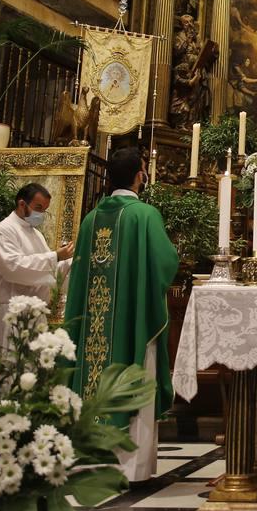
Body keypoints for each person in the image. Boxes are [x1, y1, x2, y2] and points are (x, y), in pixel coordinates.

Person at [66, 147, 179, 482]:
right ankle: (132, 470)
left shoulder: (90, 219)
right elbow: (166, 264)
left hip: (93, 326)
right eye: (143, 169)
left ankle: (91, 463)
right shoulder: (144, 216)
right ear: (139, 175)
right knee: (138, 375)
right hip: (134, 321)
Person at [0, 183, 75, 346]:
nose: (40, 214)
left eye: (44, 210)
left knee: (35, 368)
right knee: (11, 366)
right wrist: (55, 256)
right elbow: (14, 268)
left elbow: (48, 272)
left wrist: (71, 262)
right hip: (10, 313)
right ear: (21, 204)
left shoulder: (36, 235)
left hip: (36, 313)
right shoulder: (3, 231)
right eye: (38, 207)